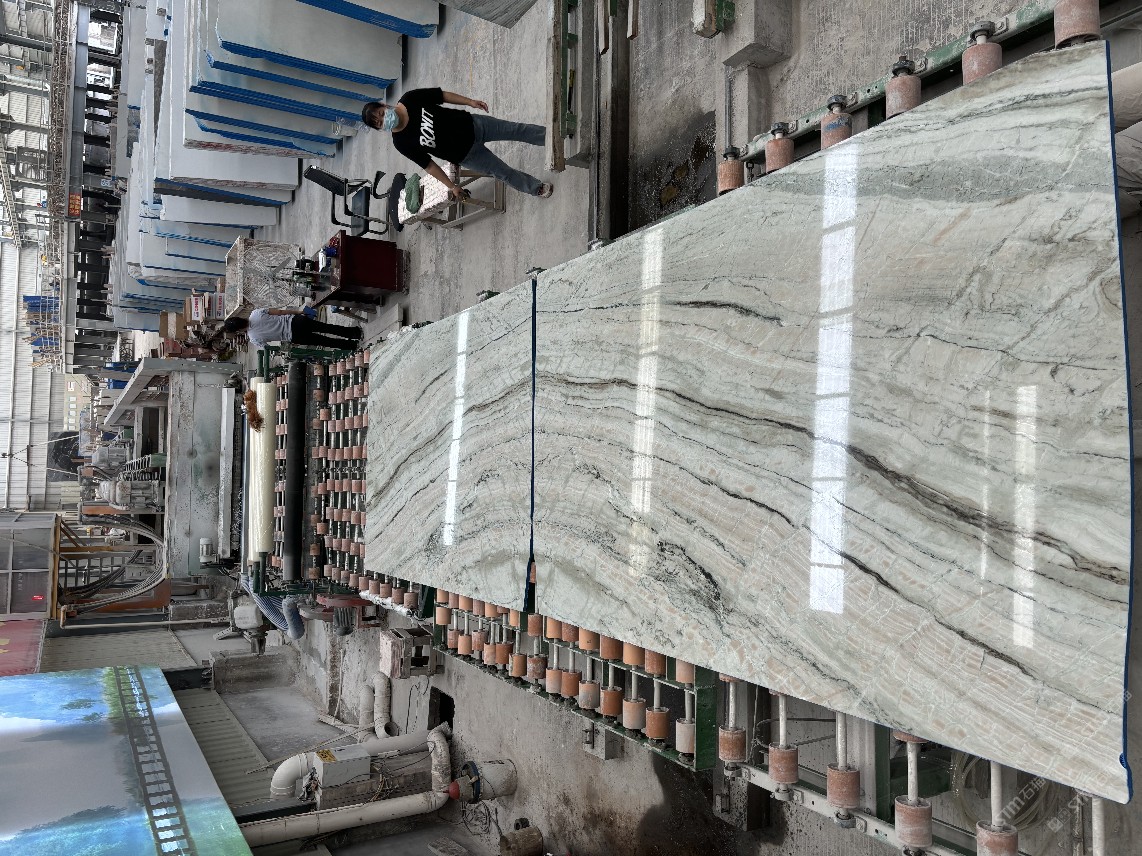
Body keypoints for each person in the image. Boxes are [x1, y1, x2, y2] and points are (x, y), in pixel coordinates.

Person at [361, 88, 553, 200]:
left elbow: (442, 96)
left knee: (517, 130)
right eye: (379, 123)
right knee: (503, 172)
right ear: (379, 129)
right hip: (467, 155)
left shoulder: (410, 99)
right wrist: (451, 186)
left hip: (474, 125)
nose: (383, 119)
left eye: (381, 114)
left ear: (384, 106)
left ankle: (553, 137)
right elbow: (429, 165)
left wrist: (470, 102)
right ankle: (535, 188)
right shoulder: (401, 143)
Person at [224, 307, 363, 350]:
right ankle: (355, 333)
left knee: (325, 341)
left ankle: (352, 346)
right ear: (239, 318)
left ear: (238, 330)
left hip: (294, 336)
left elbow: (269, 348)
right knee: (327, 328)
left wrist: (287, 344)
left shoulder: (254, 338)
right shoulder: (256, 313)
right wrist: (298, 312)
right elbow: (280, 312)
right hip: (296, 321)